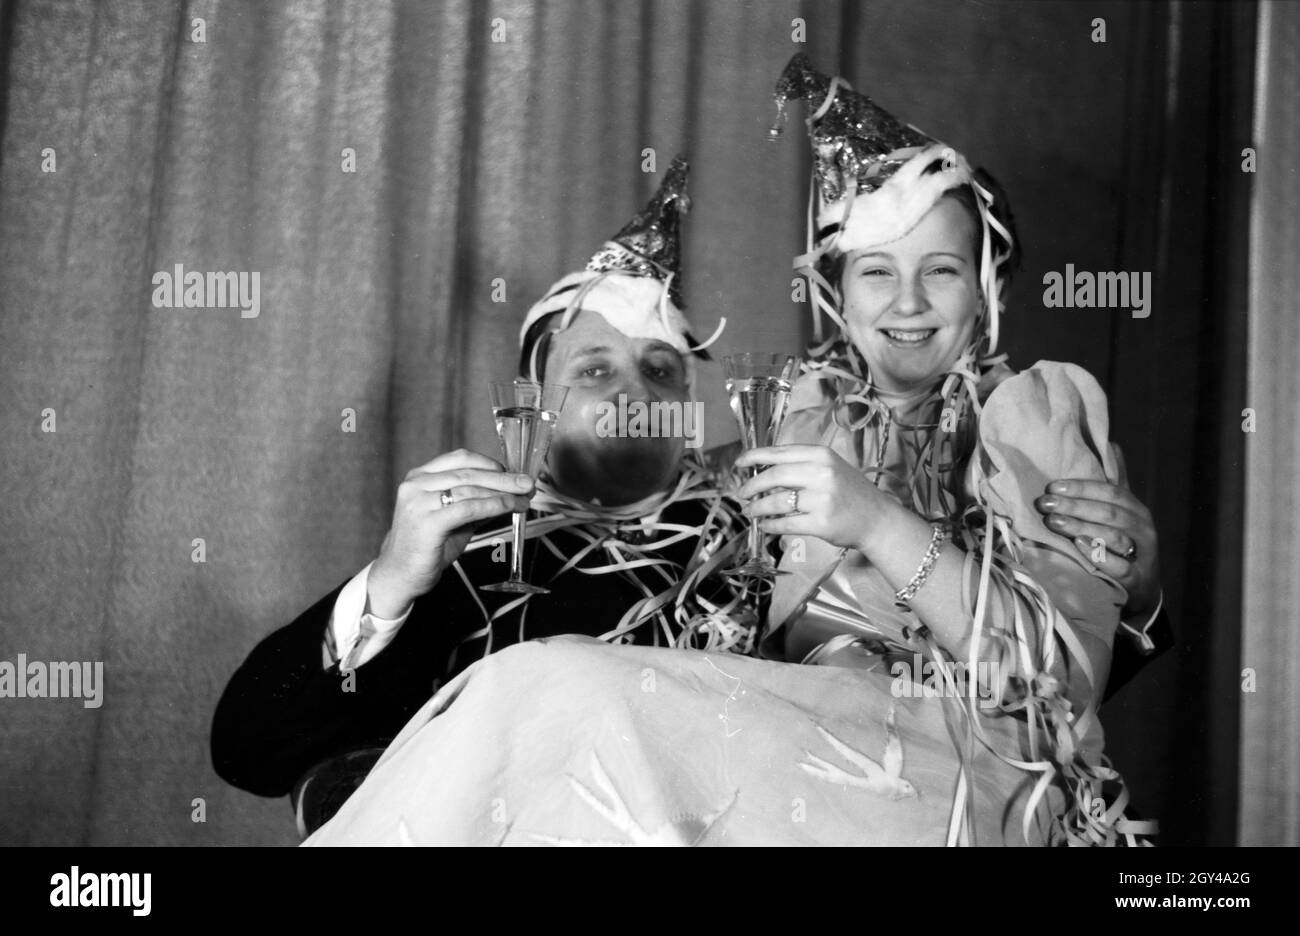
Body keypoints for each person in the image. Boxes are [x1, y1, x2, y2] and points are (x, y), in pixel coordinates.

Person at [211, 157, 752, 804]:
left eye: (660, 371)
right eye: (594, 371)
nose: (634, 391)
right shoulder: (471, 552)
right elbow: (248, 753)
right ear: (534, 405)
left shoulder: (752, 544)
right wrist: (390, 583)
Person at [733, 55, 1160, 844]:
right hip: (790, 786)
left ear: (986, 286)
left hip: (962, 804)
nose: (907, 304)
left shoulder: (1032, 418)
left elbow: (1059, 687)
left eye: (941, 270)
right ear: (835, 291)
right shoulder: (797, 420)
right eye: (876, 273)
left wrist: (878, 525)